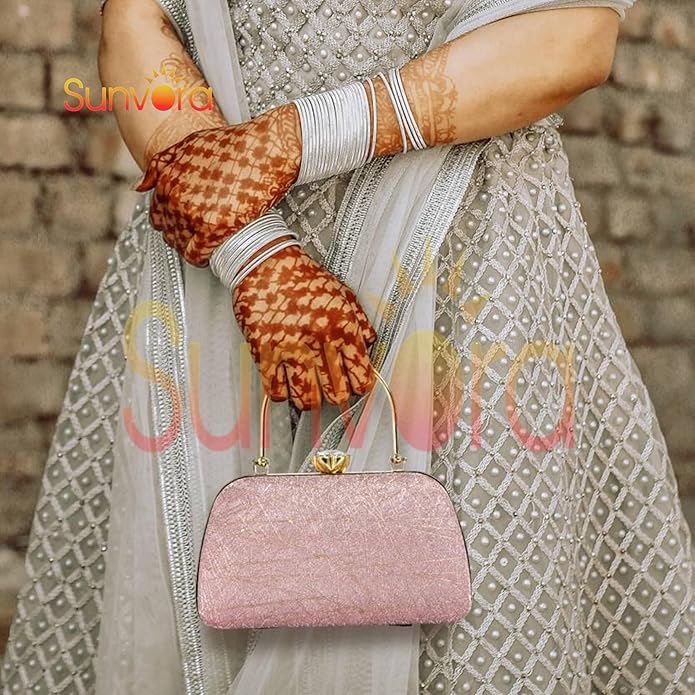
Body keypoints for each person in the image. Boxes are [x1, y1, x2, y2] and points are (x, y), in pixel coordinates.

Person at [3, 0, 695, 692]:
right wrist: (254, 257)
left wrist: (292, 141)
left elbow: (574, 36)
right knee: (213, 592)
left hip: (460, 265)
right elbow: (135, 20)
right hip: (218, 259)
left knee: (449, 601)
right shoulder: (240, 249)